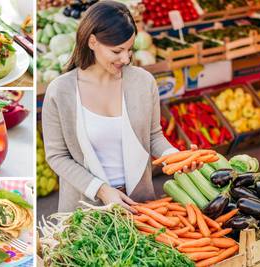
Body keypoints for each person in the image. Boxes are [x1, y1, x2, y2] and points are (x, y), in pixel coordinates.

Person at [42, 0, 201, 213]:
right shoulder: (60, 91)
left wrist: (176, 158)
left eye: (129, 49)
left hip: (139, 204)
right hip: (86, 207)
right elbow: (57, 157)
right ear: (92, 42)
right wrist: (101, 190)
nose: (125, 59)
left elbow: (153, 136)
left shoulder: (143, 82)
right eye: (117, 51)